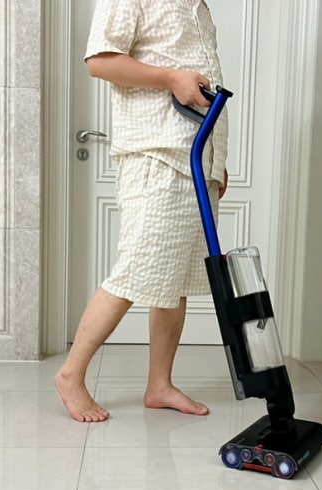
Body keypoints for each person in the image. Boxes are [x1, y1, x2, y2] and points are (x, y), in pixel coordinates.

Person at [55, 0, 229, 422]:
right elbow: (99, 61)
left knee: (174, 279)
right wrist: (171, 78)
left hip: (194, 157)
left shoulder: (198, 6)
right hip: (156, 155)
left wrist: (217, 160)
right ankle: (70, 374)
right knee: (135, 270)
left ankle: (160, 385)